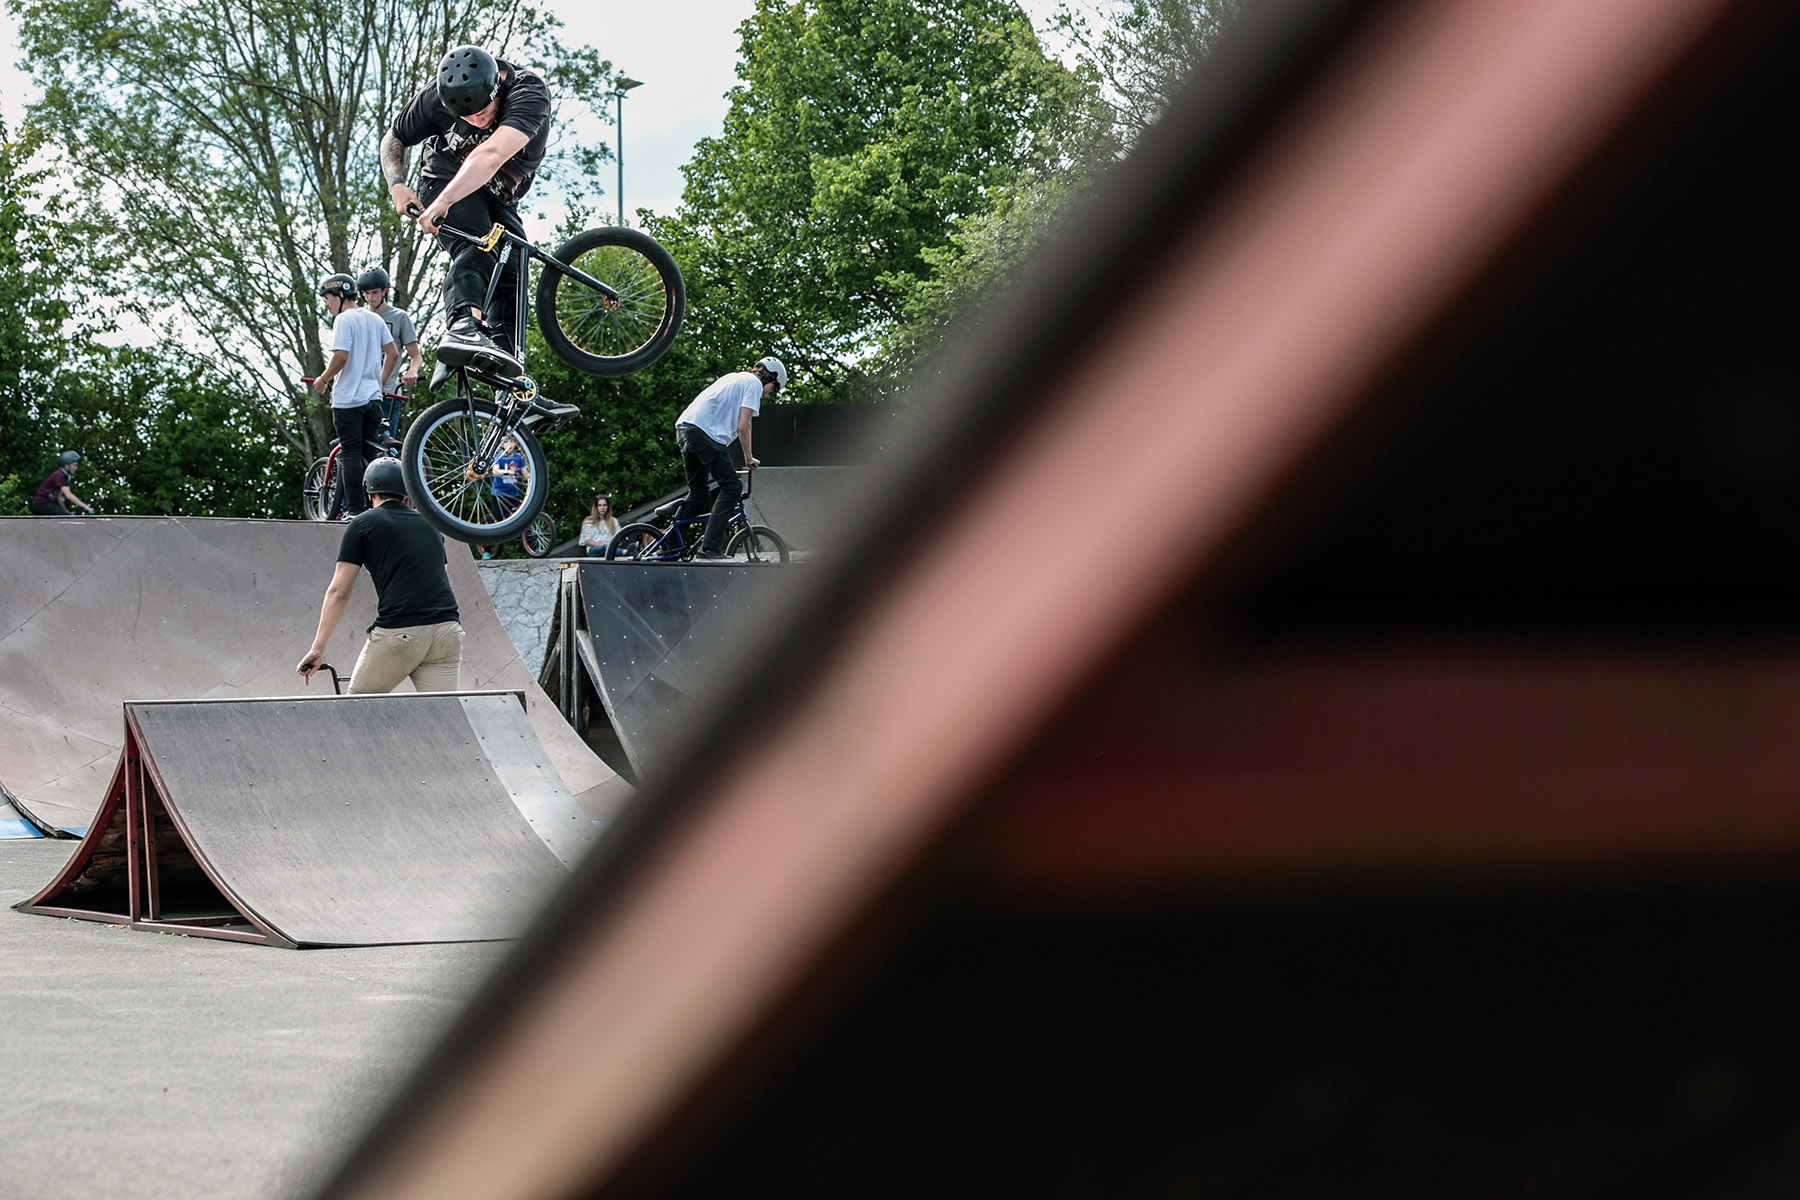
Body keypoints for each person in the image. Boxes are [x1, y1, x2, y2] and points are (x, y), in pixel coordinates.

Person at [296, 458, 464, 693]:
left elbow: (339, 592)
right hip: (447, 631)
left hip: (402, 631)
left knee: (359, 709)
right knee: (447, 715)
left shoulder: (362, 525)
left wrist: (318, 648)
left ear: (369, 491)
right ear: (407, 492)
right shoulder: (431, 525)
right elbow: (442, 577)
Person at [673, 357, 785, 561]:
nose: (769, 394)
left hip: (685, 429)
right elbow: (744, 426)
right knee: (732, 487)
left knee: (698, 493)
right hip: (704, 434)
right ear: (771, 377)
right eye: (773, 389)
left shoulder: (734, 378)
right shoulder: (753, 384)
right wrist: (748, 458)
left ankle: (670, 549)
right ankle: (710, 549)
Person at [312, 273, 398, 517]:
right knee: (371, 453)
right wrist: (379, 384)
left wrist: (323, 379)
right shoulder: (374, 318)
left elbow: (341, 356)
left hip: (348, 400)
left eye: (327, 298)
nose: (326, 304)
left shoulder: (343, 320)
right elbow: (392, 354)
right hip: (373, 400)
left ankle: (355, 511)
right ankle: (378, 507)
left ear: (340, 295)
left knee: (349, 454)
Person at [357, 266, 423, 434]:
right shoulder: (358, 316)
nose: (370, 298)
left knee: (385, 441)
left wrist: (412, 371)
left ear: (385, 291)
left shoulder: (399, 317)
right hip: (360, 391)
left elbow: (416, 355)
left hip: (388, 393)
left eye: (374, 293)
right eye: (366, 294)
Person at [29, 451, 94, 515]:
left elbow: (59, 497)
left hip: (43, 505)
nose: (76, 468)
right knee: (65, 518)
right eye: (74, 466)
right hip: (41, 504)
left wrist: (66, 511)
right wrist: (86, 507)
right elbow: (68, 495)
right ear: (66, 466)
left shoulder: (63, 476)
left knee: (65, 515)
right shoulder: (59, 475)